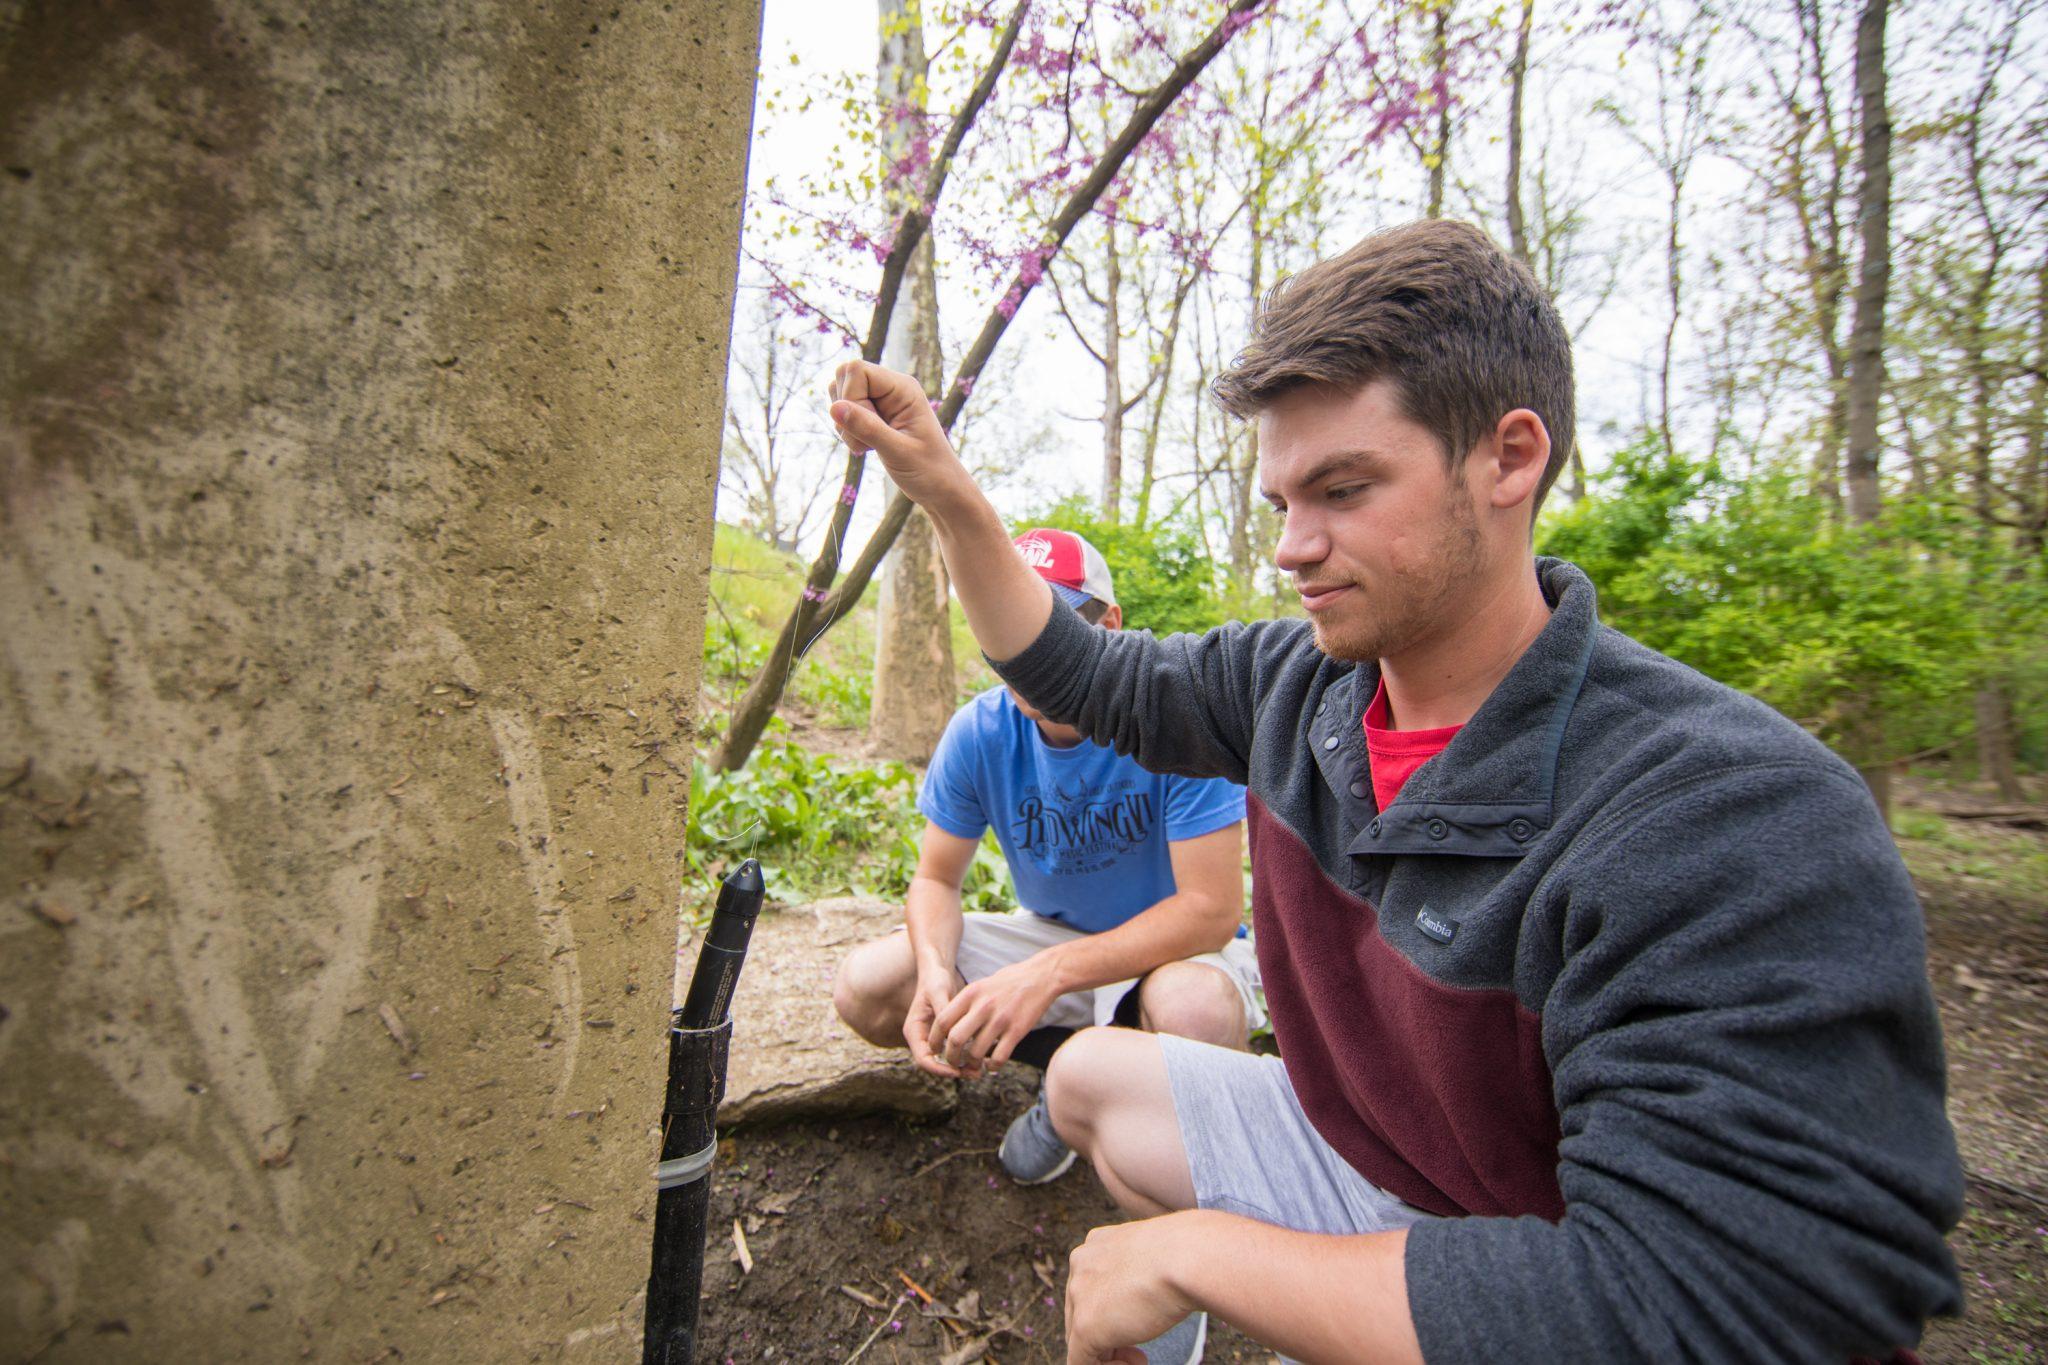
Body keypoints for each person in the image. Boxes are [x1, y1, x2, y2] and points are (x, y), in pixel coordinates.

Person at [824, 219, 1964, 1365]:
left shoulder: (1733, 815)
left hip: (1557, 1246)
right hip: (1371, 1148)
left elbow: (1743, 1309)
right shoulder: (1292, 688)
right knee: (1088, 1080)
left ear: (1508, 458)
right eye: (1279, 502)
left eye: (1344, 488)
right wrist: (942, 489)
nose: (1291, 547)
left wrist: (1201, 1256)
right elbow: (1072, 668)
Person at [832, 526, 1262, 1208]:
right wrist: (938, 969)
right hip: (1057, 933)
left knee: (1191, 1008)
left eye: (1051, 625)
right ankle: (1076, 1086)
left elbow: (1211, 910)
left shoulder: (1177, 712)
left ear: (1108, 622)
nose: (1024, 655)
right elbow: (937, 879)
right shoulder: (981, 731)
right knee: (871, 985)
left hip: (1180, 951)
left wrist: (1047, 973)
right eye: (1007, 624)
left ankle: (1208, 1207)